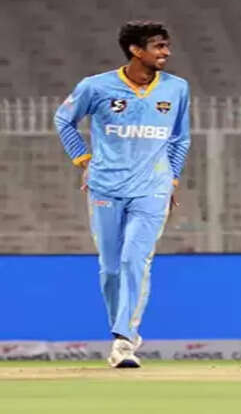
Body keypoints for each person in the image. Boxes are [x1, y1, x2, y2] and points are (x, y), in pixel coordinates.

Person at [54, 21, 190, 368]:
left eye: (166, 45)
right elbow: (64, 119)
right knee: (111, 267)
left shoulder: (176, 88)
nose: (166, 52)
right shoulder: (96, 86)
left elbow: (180, 138)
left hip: (152, 189)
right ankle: (123, 329)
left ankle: (124, 339)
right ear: (135, 50)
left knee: (134, 260)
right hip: (106, 187)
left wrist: (172, 178)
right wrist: (83, 159)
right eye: (158, 46)